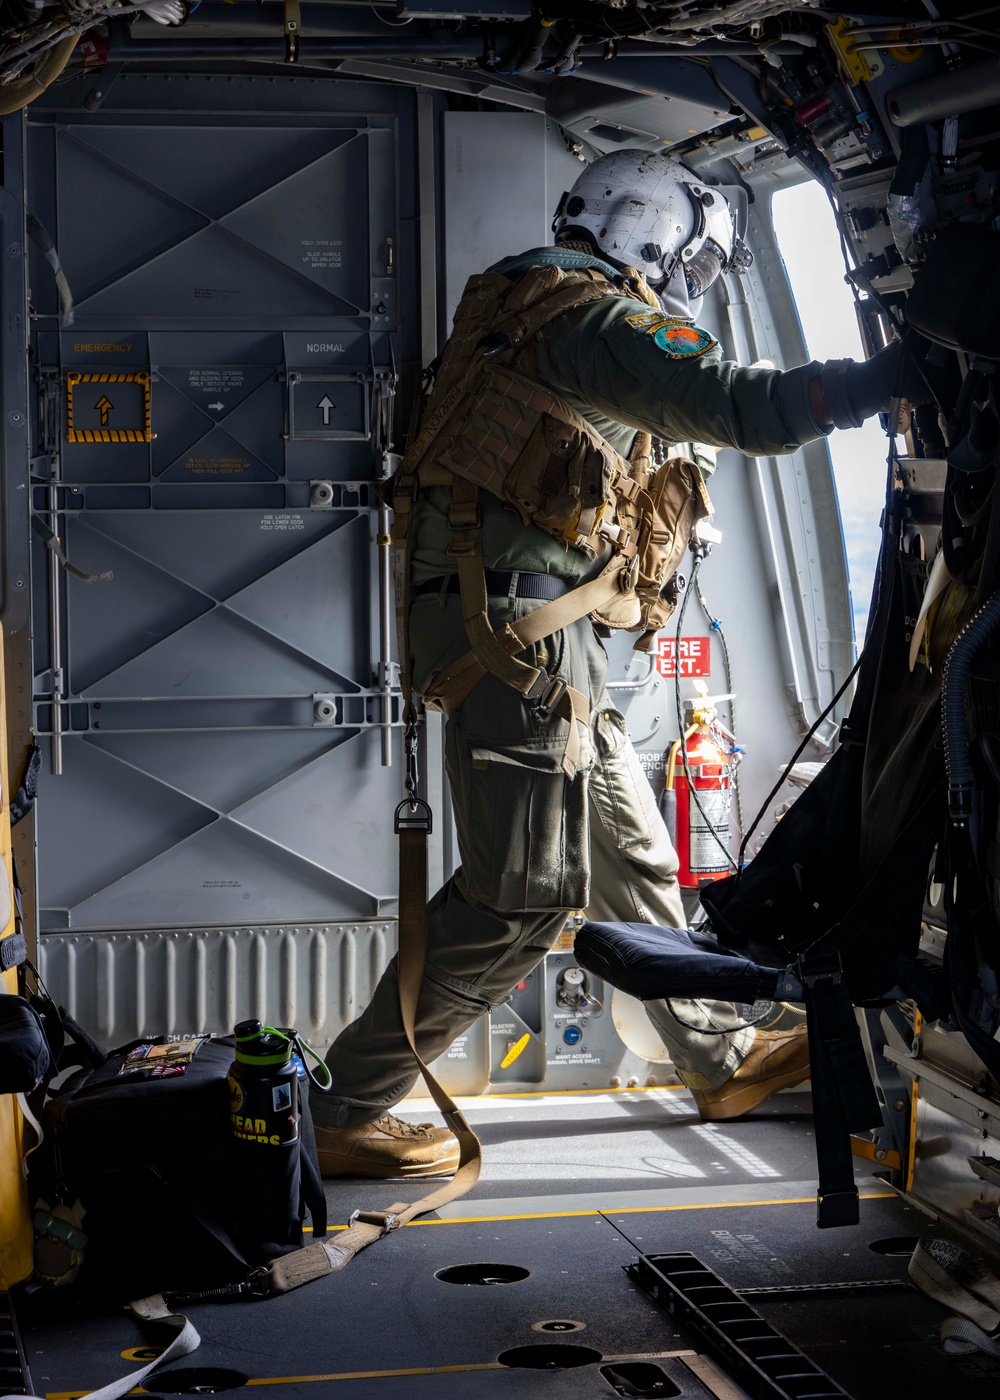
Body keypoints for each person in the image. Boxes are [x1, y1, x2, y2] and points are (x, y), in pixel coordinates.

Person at [310, 148, 931, 1179]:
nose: (680, 284)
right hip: (522, 639)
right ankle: (347, 1098)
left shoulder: (523, 298)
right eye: (684, 261)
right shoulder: (592, 318)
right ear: (653, 237)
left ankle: (715, 1056)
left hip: (527, 629)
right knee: (522, 895)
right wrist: (893, 374)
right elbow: (745, 407)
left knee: (631, 854)